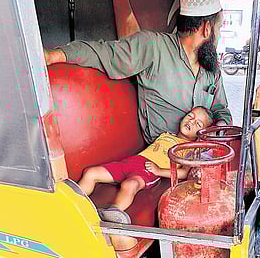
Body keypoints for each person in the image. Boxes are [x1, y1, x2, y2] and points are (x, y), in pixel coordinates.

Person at [43, 0, 232, 144]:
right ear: (207, 29)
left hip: (201, 156)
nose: (219, 34)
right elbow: (103, 53)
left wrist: (219, 129)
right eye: (218, 27)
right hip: (162, 157)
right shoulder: (153, 47)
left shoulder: (211, 66)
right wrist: (55, 55)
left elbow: (221, 110)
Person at [78, 106, 212, 249]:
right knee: (90, 173)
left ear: (200, 134)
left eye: (198, 124)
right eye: (191, 116)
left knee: (130, 185)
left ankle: (114, 213)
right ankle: (74, 202)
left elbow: (184, 172)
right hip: (131, 162)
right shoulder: (166, 134)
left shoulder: (190, 149)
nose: (191, 121)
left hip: (149, 170)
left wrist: (158, 170)